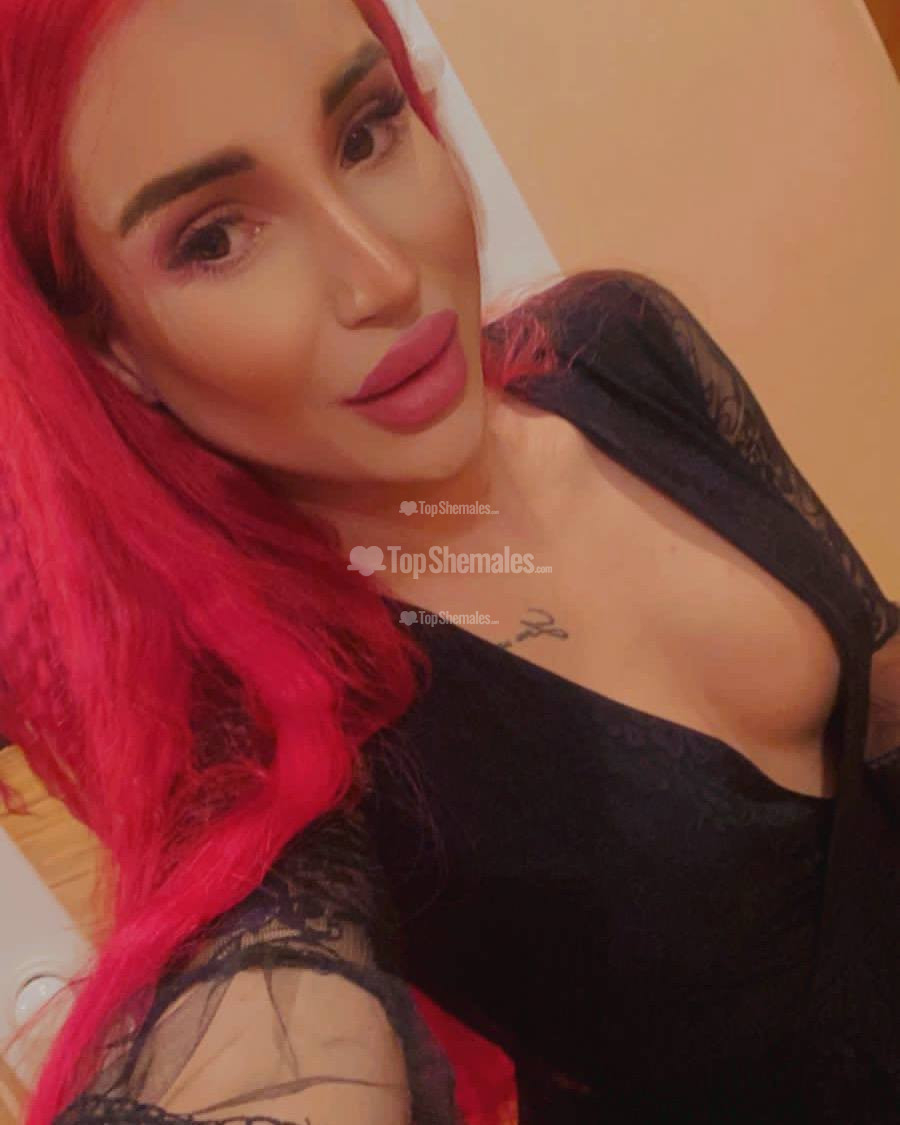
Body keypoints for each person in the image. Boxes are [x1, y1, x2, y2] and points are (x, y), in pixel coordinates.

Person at [0, 1, 898, 1123]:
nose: (381, 275)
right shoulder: (268, 721)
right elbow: (263, 1012)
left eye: (364, 131)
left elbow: (870, 661)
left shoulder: (620, 345)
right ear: (114, 349)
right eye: (214, 238)